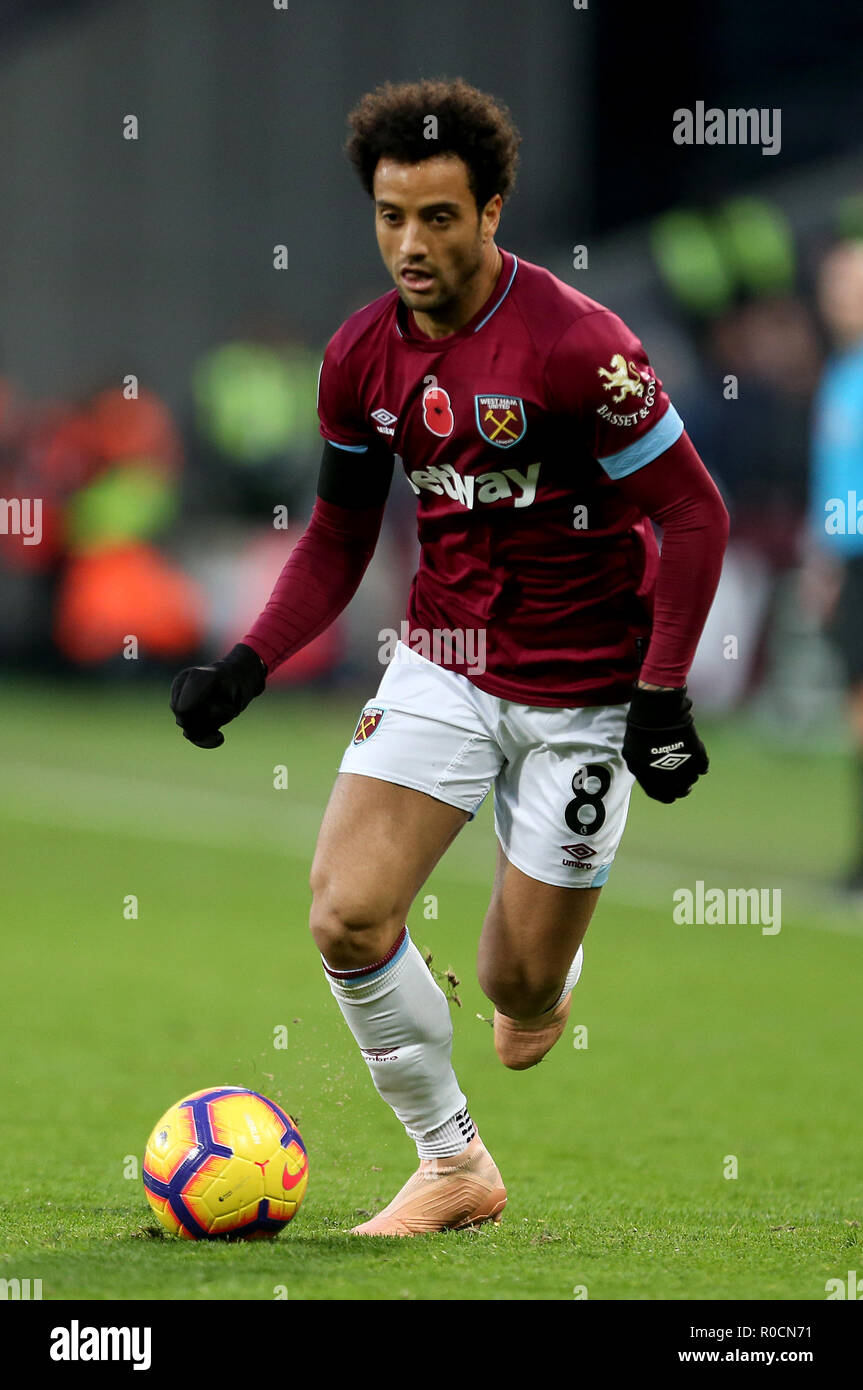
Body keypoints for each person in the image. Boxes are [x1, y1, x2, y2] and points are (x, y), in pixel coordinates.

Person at [170, 78, 729, 1236]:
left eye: (436, 216)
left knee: (519, 1005)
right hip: (444, 664)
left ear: (491, 210)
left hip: (581, 698)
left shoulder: (582, 349)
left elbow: (696, 516)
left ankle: (543, 971)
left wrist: (660, 696)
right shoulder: (358, 357)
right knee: (346, 915)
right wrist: (248, 661)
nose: (409, 244)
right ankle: (452, 1164)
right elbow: (335, 537)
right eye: (389, 216)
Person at [805, 240, 863, 894]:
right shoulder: (840, 370)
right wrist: (822, 561)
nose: (838, 297)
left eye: (850, 284)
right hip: (846, 560)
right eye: (832, 284)